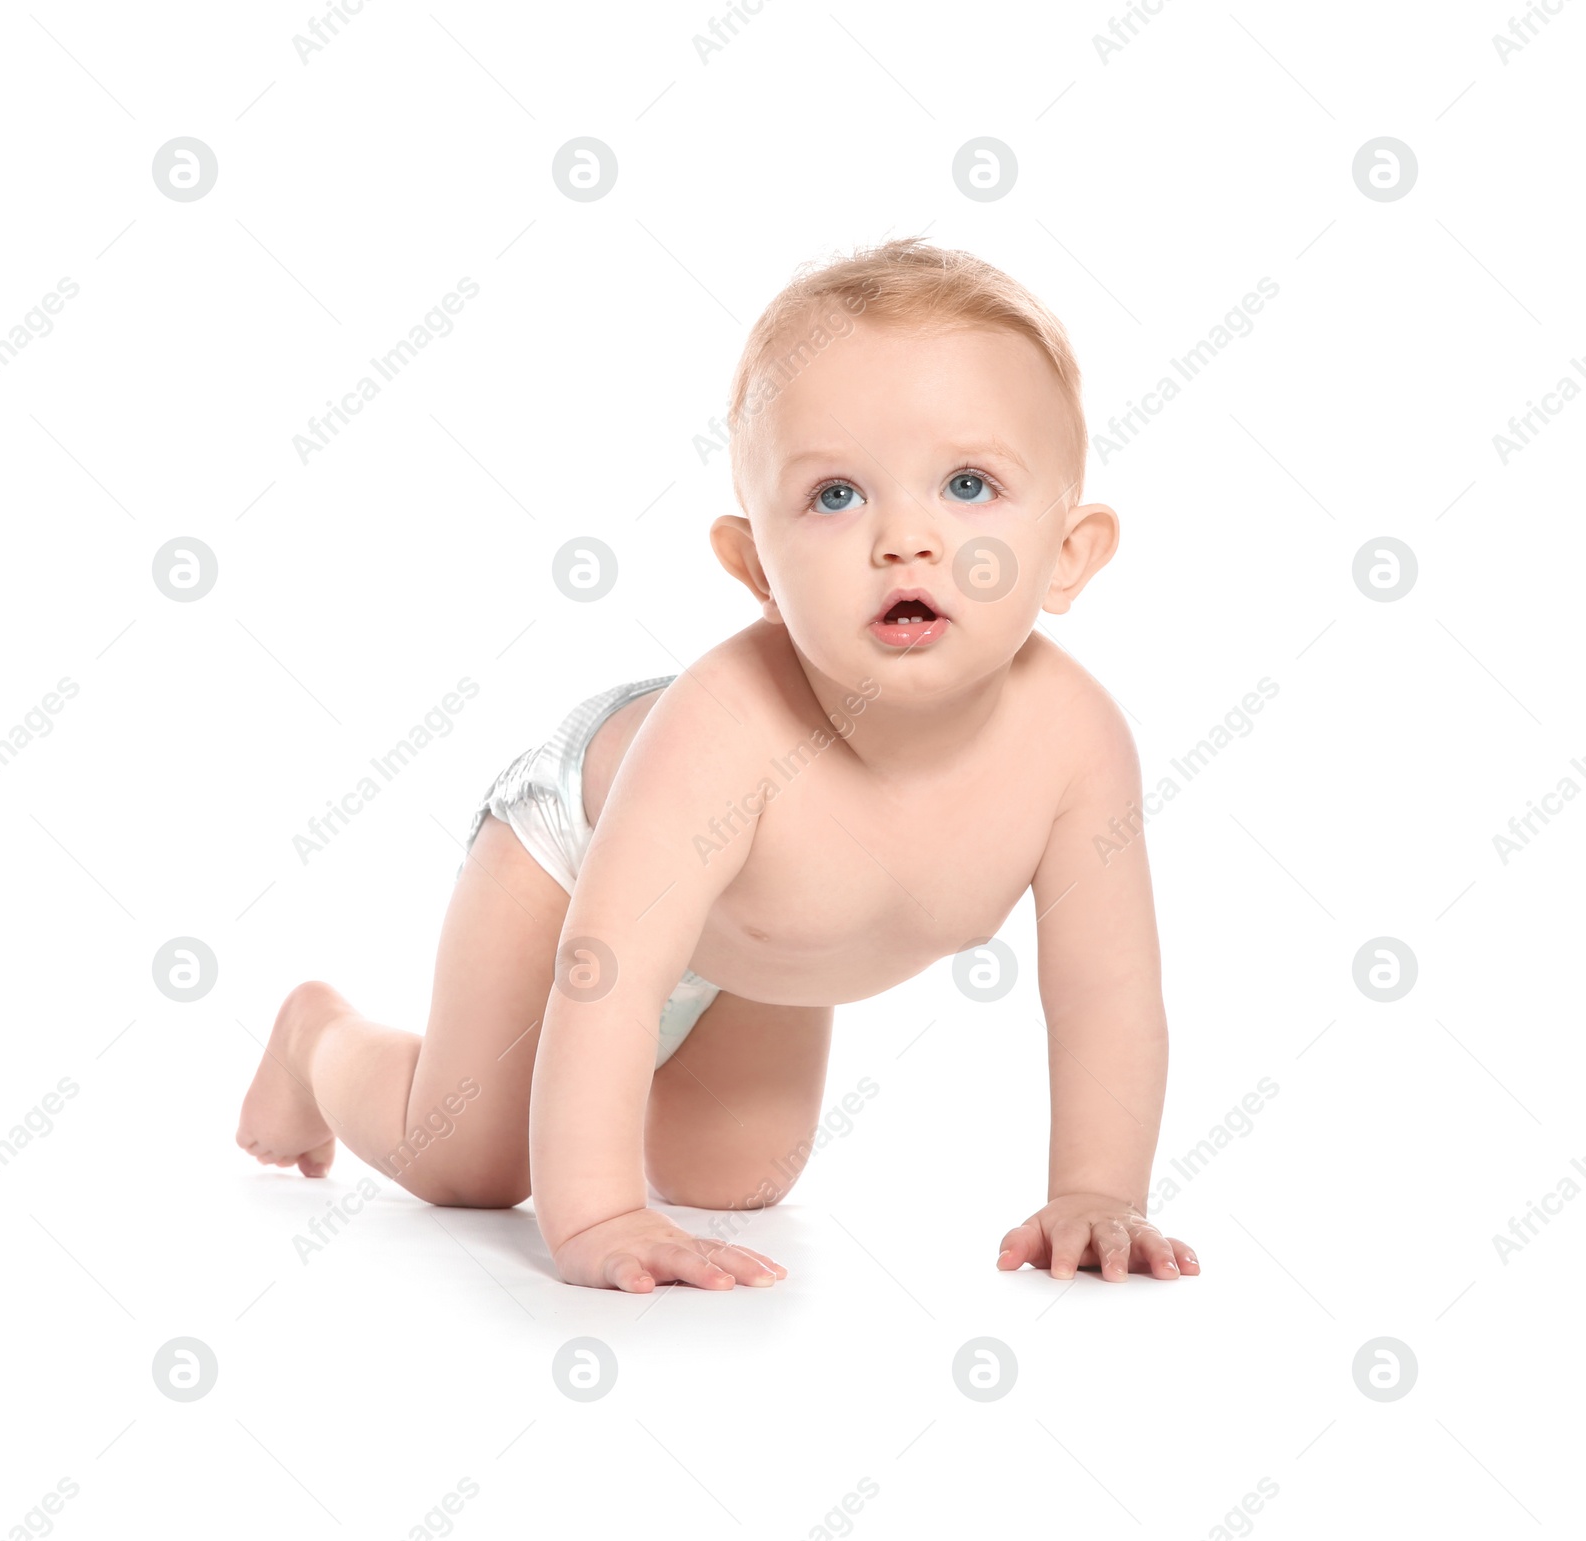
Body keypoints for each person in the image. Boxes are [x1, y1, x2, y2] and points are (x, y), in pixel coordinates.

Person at [237, 235, 1201, 1293]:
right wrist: (599, 1213)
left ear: (1071, 551)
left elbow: (1107, 990)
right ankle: (316, 1042)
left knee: (735, 1178)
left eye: (968, 483)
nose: (904, 539)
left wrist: (1098, 1192)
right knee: (469, 1156)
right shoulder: (728, 724)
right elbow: (607, 969)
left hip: (758, 940)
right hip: (580, 858)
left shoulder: (1073, 743)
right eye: (836, 496)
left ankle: (605, 1096)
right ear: (755, 567)